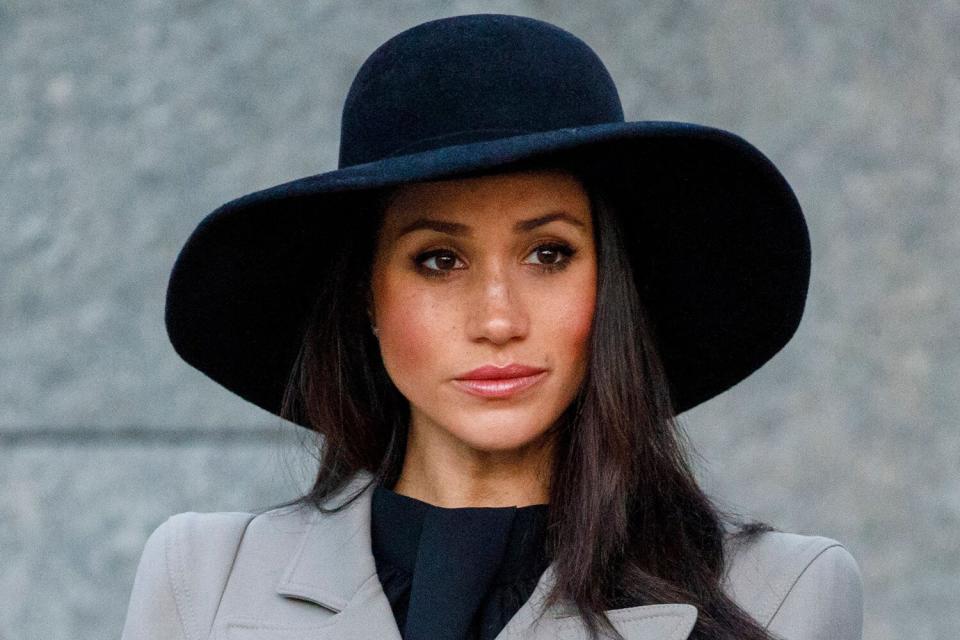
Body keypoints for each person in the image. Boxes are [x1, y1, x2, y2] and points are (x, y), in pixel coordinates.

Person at [120, 13, 864, 640]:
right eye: (439, 260)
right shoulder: (201, 581)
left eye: (549, 253)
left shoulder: (778, 595)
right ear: (364, 300)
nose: (499, 318)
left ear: (609, 288)